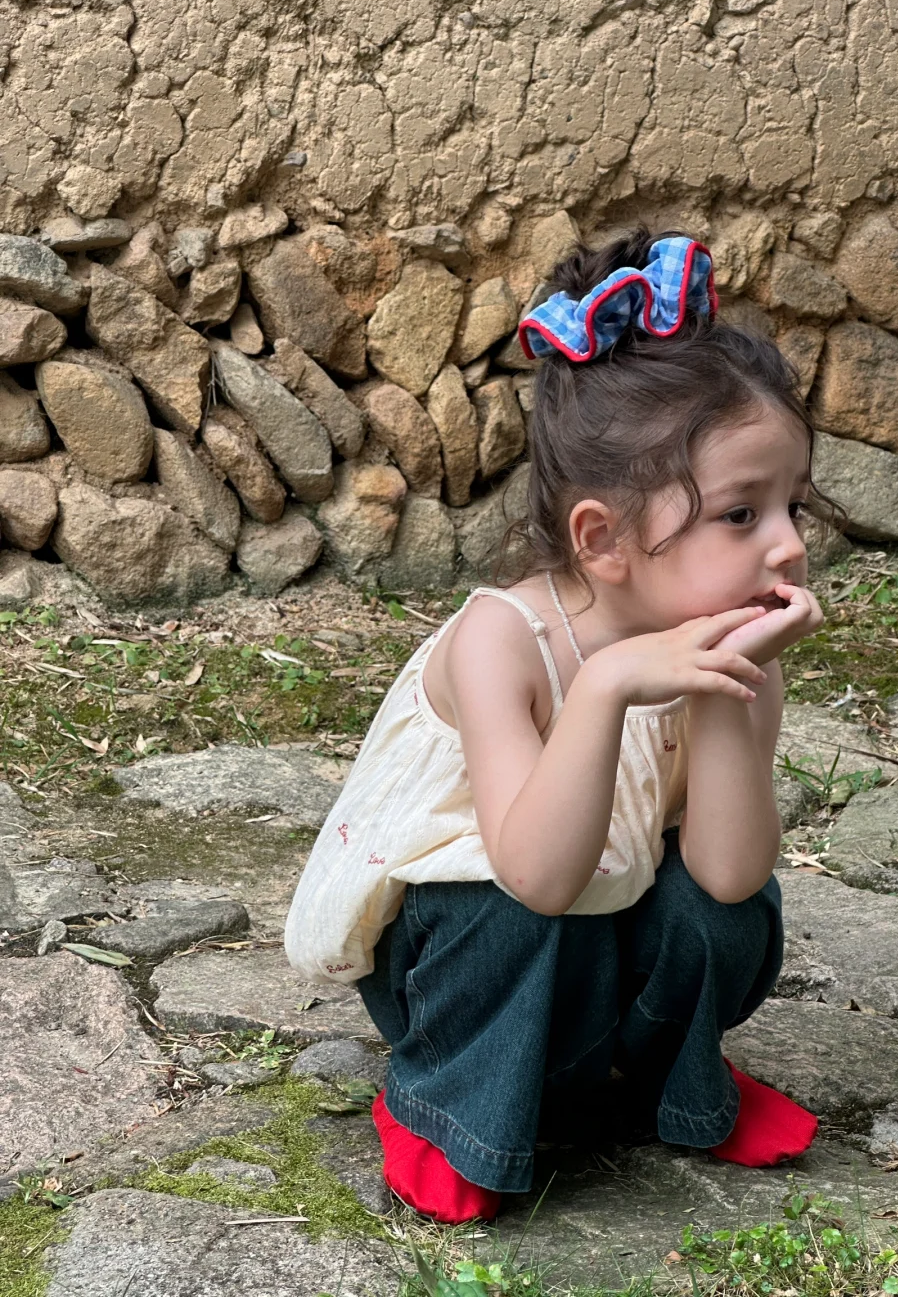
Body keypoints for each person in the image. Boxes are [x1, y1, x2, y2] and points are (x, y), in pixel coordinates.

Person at [285, 228, 826, 1224]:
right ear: (602, 539)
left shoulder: (732, 649)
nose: (790, 543)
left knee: (729, 920)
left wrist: (722, 688)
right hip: (466, 963)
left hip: (604, 939)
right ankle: (447, 1105)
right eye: (743, 515)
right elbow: (534, 873)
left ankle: (673, 1078)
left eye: (793, 503)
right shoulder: (503, 643)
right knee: (511, 907)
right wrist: (611, 683)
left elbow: (728, 879)